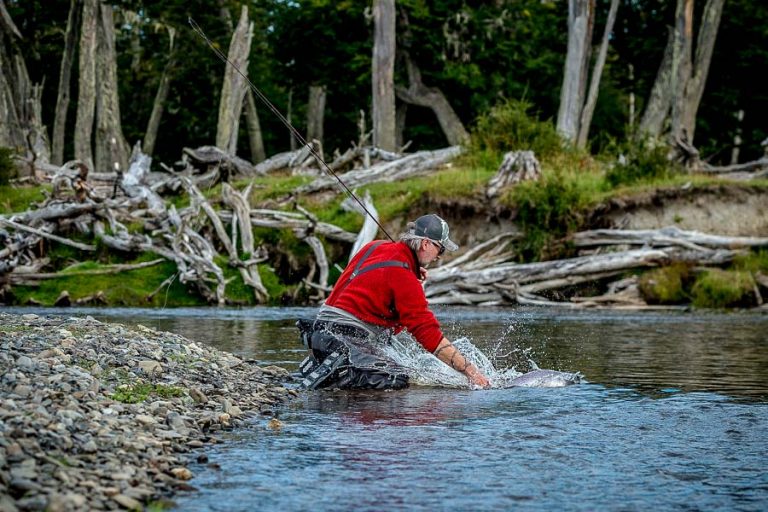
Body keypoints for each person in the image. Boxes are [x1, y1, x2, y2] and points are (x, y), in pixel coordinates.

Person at [297, 213, 491, 390]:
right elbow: (428, 335)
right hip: (345, 338)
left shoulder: (374, 246)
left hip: (321, 330)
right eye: (440, 248)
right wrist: (471, 372)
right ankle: (340, 374)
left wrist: (409, 270)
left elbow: (370, 279)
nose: (439, 256)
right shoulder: (403, 276)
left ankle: (330, 366)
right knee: (397, 379)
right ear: (425, 244)